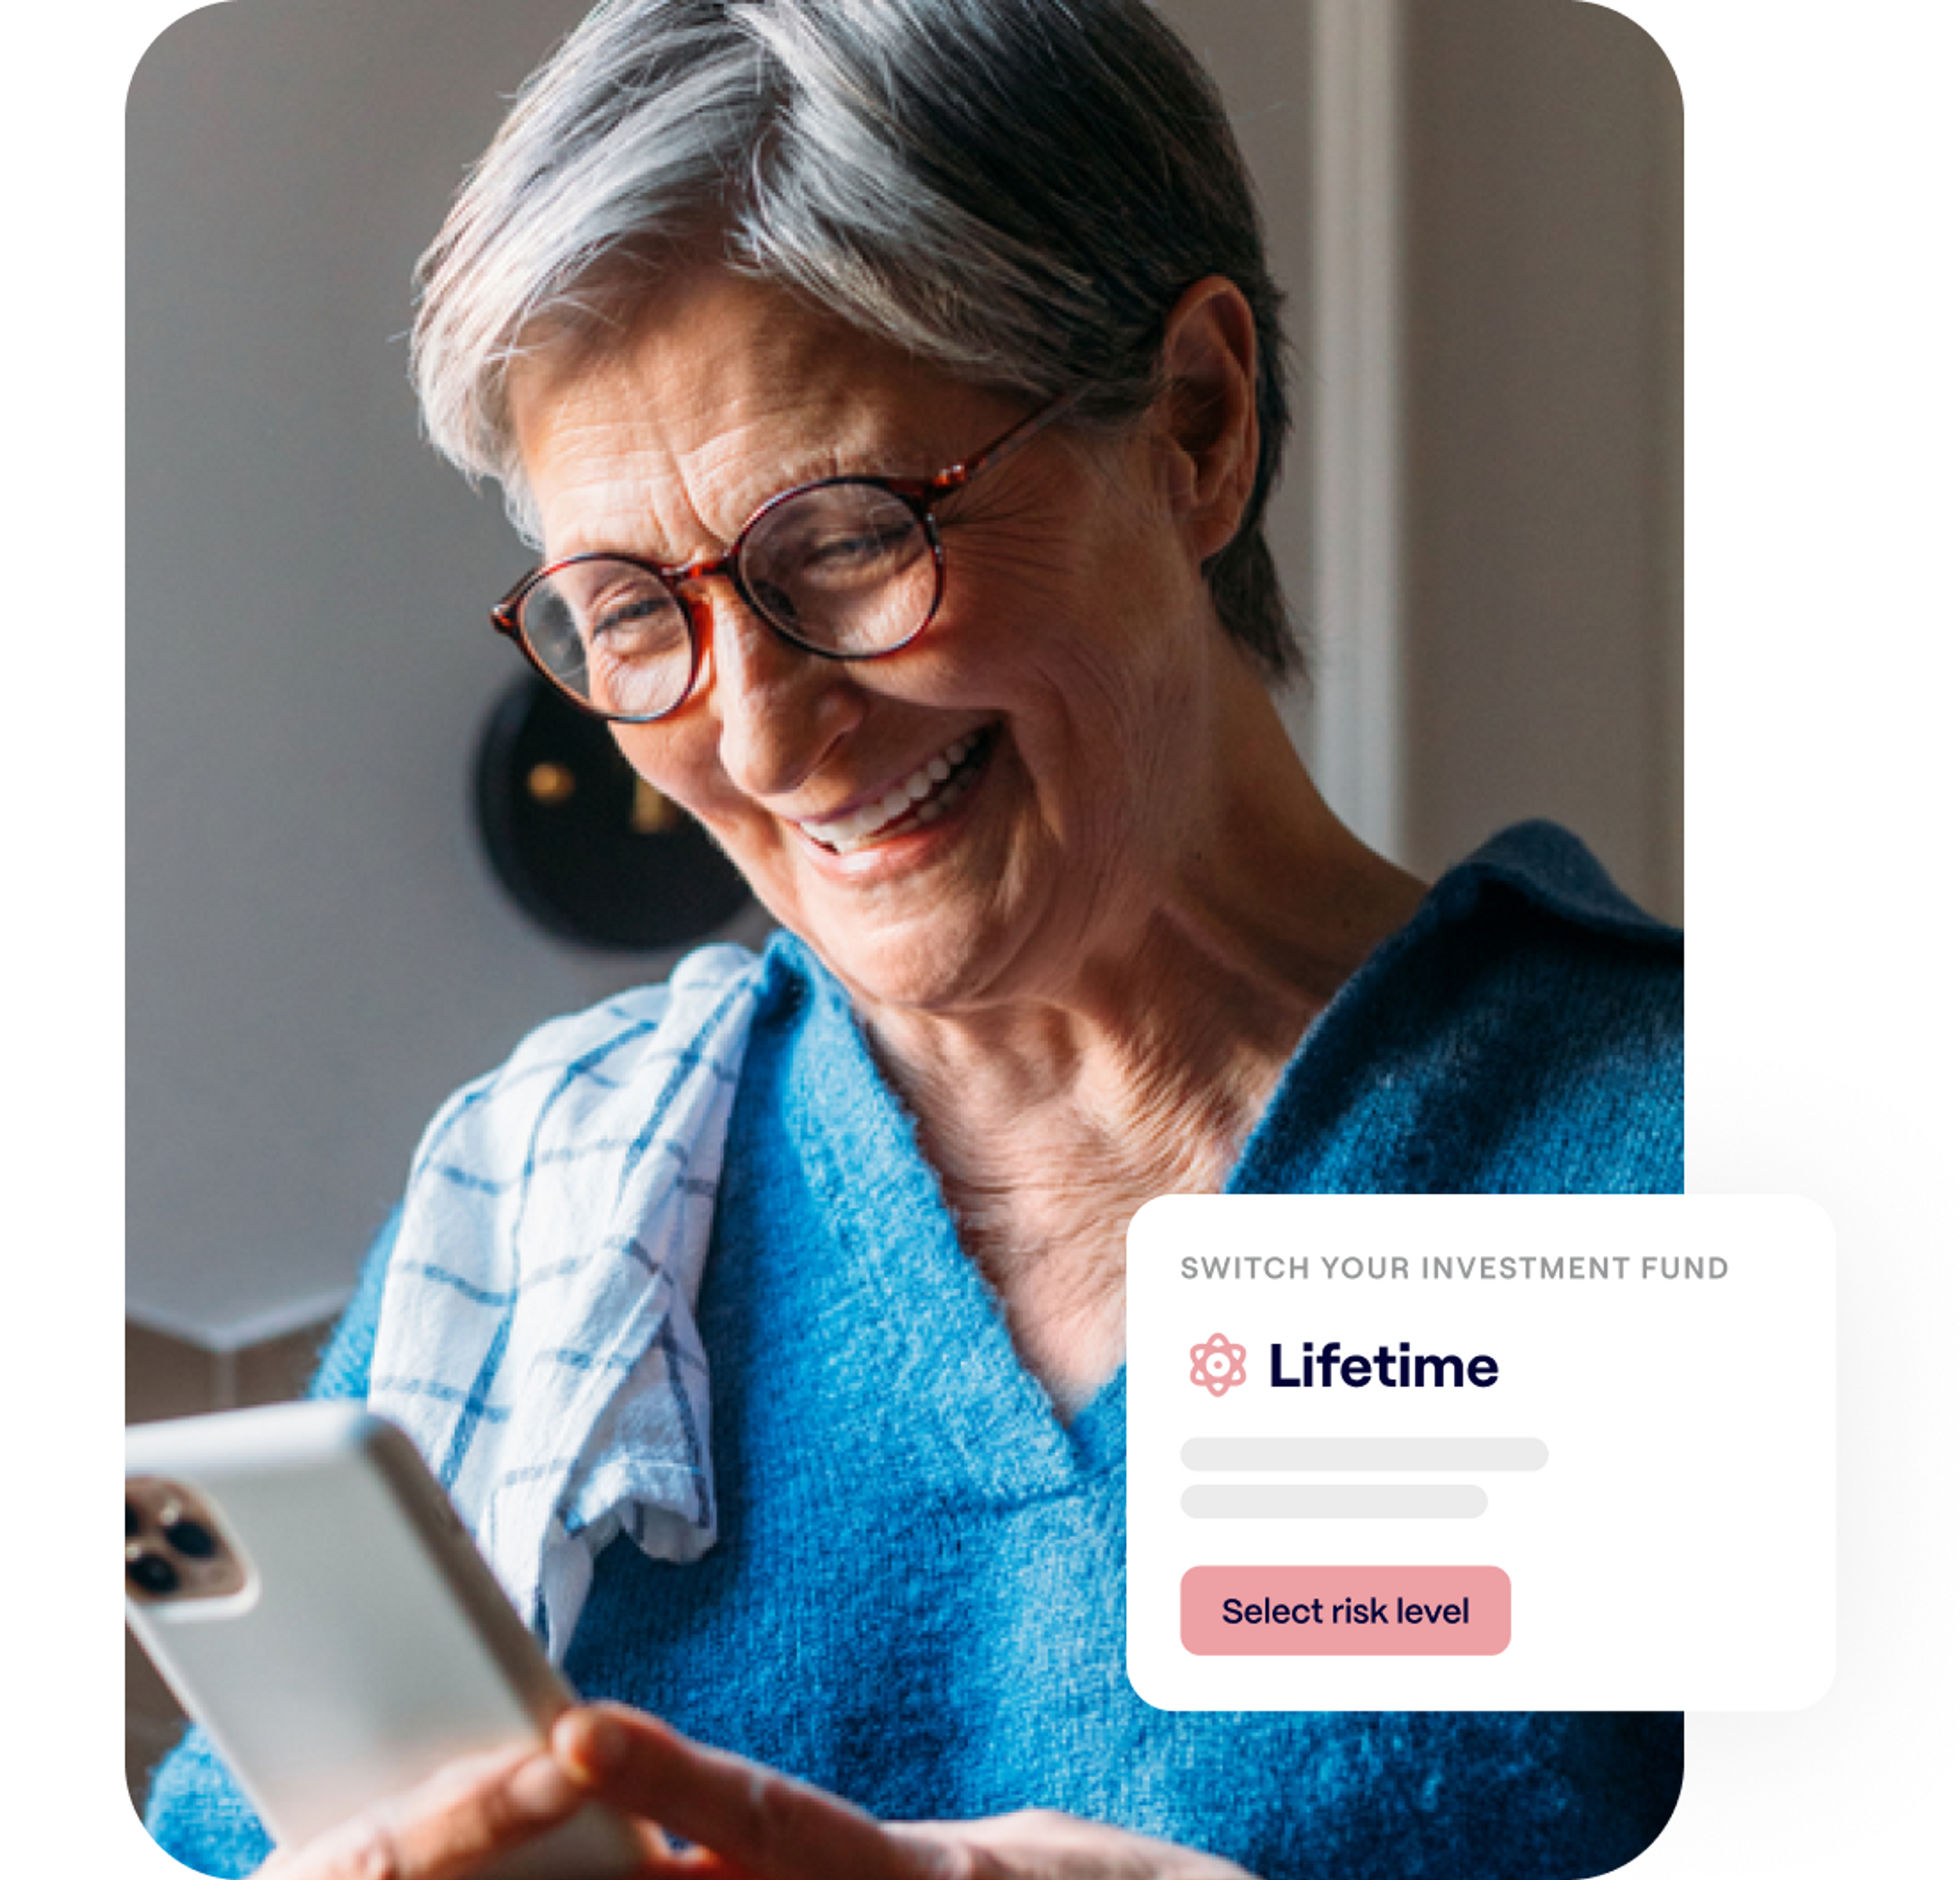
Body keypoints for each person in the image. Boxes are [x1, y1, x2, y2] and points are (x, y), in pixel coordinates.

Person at [143, 1, 1683, 1875]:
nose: (765, 732)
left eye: (850, 539)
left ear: (1197, 427)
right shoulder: (540, 1196)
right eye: (631, 611)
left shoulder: (1678, 1172)